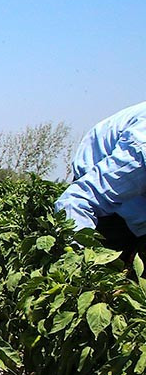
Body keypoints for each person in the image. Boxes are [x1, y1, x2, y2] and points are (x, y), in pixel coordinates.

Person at [55, 101, 146, 266]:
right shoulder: (139, 153)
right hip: (107, 209)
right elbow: (76, 202)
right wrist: (84, 268)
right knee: (109, 269)